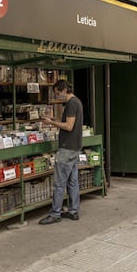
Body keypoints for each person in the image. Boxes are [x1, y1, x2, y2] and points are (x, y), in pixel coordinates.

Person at [39, 80, 83, 225]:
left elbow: (69, 126)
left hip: (67, 147)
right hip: (75, 147)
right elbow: (69, 122)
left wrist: (51, 123)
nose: (58, 97)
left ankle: (55, 213)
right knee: (73, 181)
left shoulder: (71, 103)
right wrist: (53, 119)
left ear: (64, 89)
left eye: (58, 93)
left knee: (59, 183)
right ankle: (73, 211)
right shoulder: (77, 102)